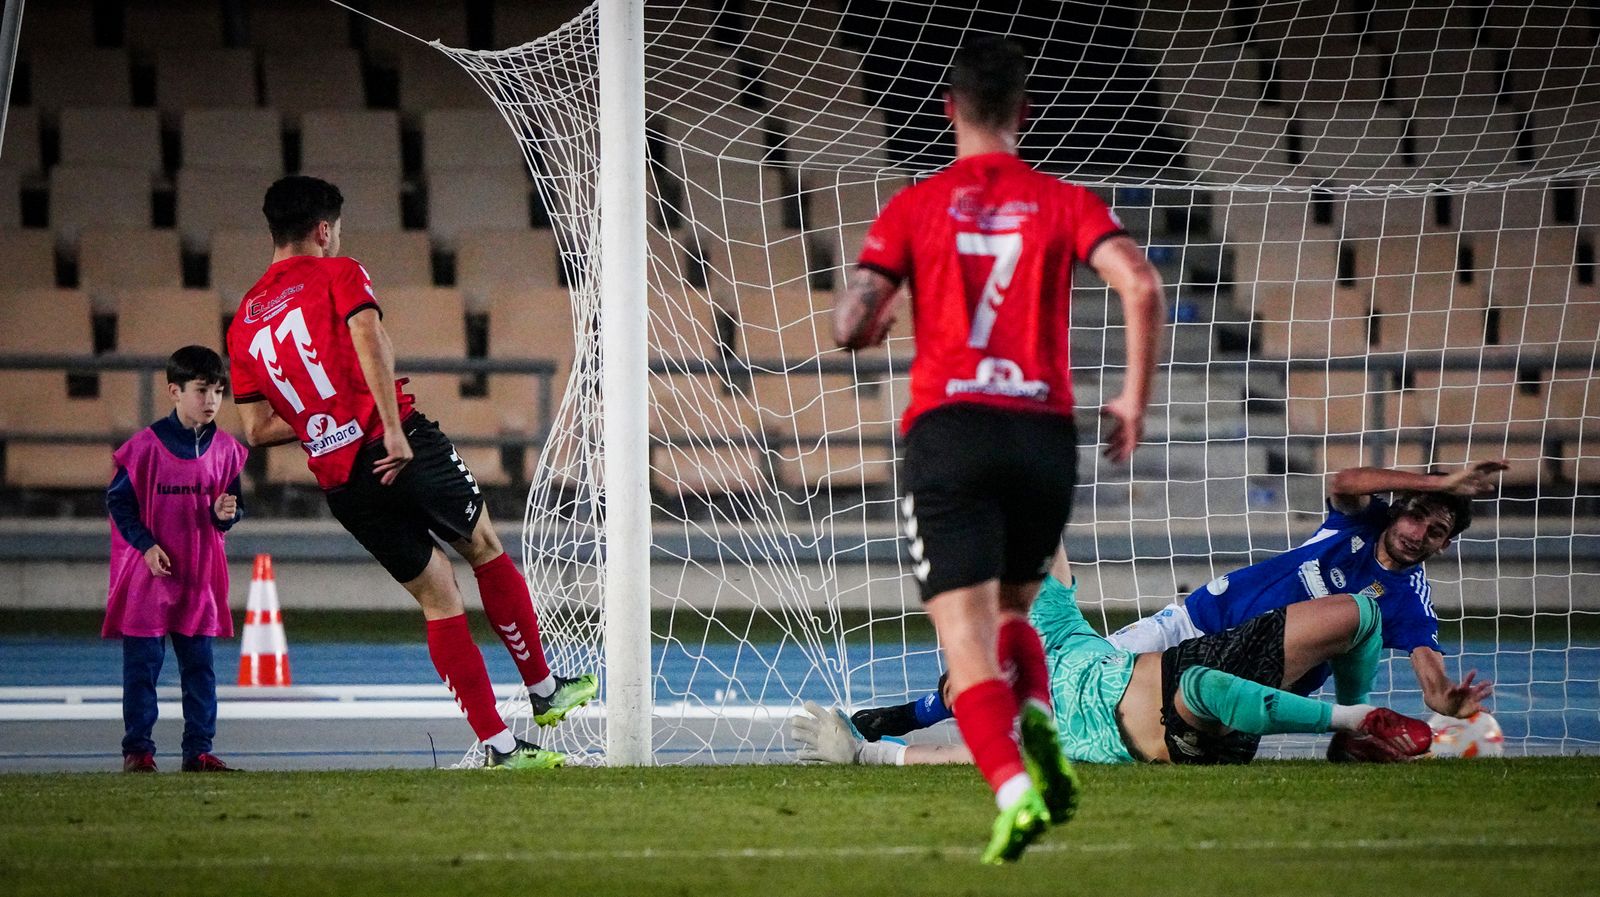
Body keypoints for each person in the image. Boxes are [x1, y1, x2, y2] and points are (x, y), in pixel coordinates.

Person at [831, 36, 1165, 863]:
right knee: (1018, 614)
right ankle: (1042, 720)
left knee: (966, 640)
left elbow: (852, 324)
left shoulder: (915, 206)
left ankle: (1014, 790)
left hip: (953, 431)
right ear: (1024, 113)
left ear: (949, 109)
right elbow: (1142, 283)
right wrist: (1131, 397)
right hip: (1044, 435)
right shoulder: (1062, 199)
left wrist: (873, 316)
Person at [225, 176, 595, 770]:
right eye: (334, 230)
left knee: (437, 597)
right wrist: (390, 427)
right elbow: (367, 335)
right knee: (482, 545)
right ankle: (545, 690)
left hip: (340, 479)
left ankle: (500, 748)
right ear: (323, 230)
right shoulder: (338, 272)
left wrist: (326, 422)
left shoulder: (243, 320)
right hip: (396, 443)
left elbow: (257, 428)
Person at [850, 461, 1504, 748]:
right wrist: (1438, 481)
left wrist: (1442, 699)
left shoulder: (1407, 600)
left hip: (1245, 668)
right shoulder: (1355, 524)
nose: (1420, 531)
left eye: (1437, 530)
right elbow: (1344, 481)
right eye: (1419, 515)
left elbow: (1426, 660)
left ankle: (1345, 727)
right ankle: (916, 713)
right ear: (1406, 506)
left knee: (1063, 708)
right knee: (1053, 682)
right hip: (1184, 623)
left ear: (1444, 547)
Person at [791, 549, 1444, 770]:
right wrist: (870, 750)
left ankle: (1348, 748)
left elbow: (1042, 533)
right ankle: (1355, 719)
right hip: (1173, 720)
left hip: (1188, 659)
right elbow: (961, 753)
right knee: (1204, 684)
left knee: (1360, 612)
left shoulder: (1044, 616)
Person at [105, 346, 249, 773]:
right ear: (174, 390)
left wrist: (226, 516)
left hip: (199, 577)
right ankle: (139, 752)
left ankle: (198, 751)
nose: (211, 401)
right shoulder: (144, 448)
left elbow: (229, 507)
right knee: (142, 670)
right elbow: (120, 504)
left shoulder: (226, 450)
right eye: (202, 391)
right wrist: (147, 545)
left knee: (200, 669)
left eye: (218, 392)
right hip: (150, 578)